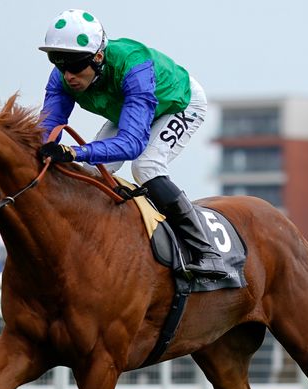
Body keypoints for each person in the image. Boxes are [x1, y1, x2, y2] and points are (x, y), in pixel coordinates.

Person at [36, 8, 226, 280]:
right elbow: (47, 131)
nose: (67, 75)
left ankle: (207, 252)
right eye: (58, 62)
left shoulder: (132, 64)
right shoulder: (62, 77)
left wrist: (75, 151)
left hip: (179, 103)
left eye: (75, 65)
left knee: (146, 166)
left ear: (98, 57)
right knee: (90, 170)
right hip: (128, 109)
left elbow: (132, 143)